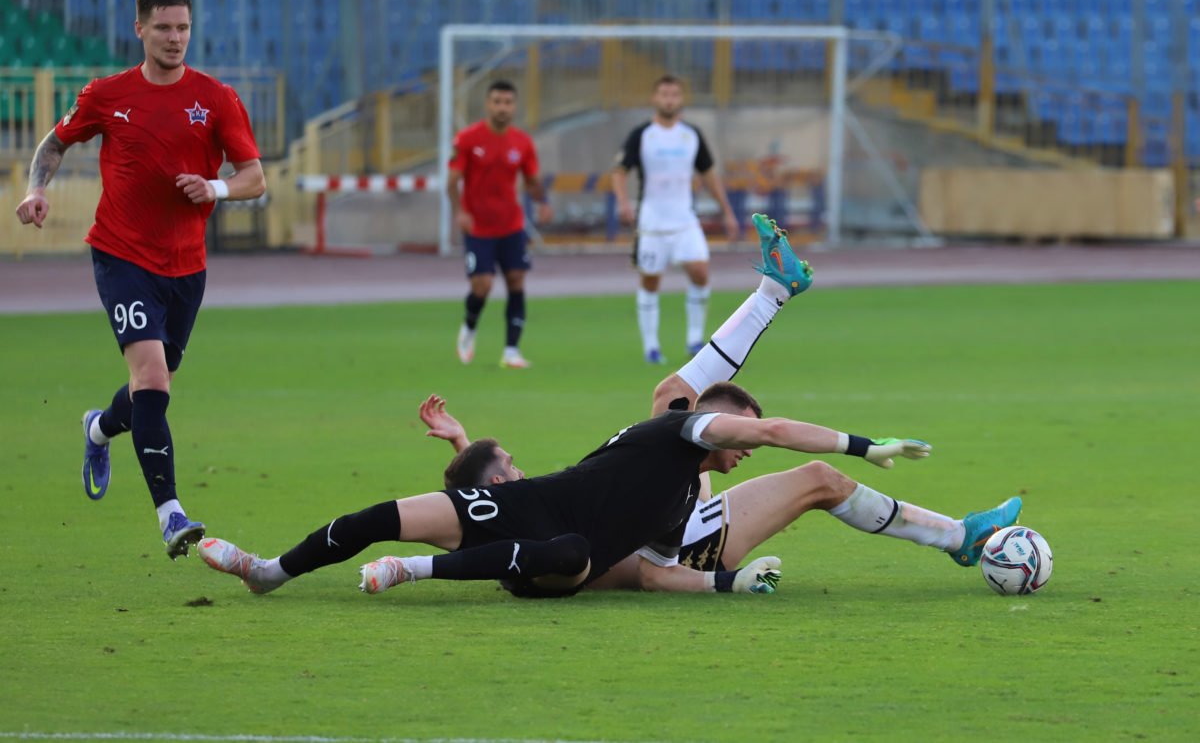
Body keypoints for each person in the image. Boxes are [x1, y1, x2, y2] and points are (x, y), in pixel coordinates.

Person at [195, 216, 960, 599]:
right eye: (731, 439)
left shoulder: (661, 438)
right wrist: (866, 443)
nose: (743, 449)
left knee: (791, 469)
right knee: (385, 518)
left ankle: (772, 293)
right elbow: (758, 435)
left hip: (656, 534)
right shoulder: (659, 450)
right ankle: (273, 569)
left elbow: (744, 439)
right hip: (651, 540)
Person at [418, 218, 1021, 588]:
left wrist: (463, 446)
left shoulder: (508, 520)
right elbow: (491, 506)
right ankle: (959, 539)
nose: (517, 472)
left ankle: (773, 293)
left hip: (660, 520)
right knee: (817, 477)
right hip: (679, 545)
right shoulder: (519, 540)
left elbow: (486, 504)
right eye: (507, 469)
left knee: (666, 400)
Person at [13, 0, 266, 559]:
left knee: (154, 384)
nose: (174, 38)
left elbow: (255, 175)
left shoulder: (217, 98)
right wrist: (35, 190)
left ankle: (99, 429)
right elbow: (55, 142)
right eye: (163, 28)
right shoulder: (107, 93)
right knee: (152, 380)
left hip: (187, 267)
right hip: (122, 255)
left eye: (182, 28)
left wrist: (216, 186)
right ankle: (171, 514)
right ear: (140, 30)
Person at [612, 74, 740, 364]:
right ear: (654, 99)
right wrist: (622, 202)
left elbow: (708, 174)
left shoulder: (691, 135)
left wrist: (727, 210)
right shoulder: (642, 134)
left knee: (701, 273)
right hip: (652, 223)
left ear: (681, 99)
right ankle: (651, 347)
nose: (669, 99)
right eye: (664, 94)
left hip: (685, 221)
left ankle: (695, 339)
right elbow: (619, 170)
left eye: (674, 95)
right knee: (650, 280)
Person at [448, 80, 551, 369]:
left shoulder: (522, 142)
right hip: (478, 226)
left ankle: (511, 351)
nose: (502, 107)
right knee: (482, 285)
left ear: (514, 106)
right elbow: (452, 181)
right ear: (487, 104)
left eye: (507, 102)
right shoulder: (467, 139)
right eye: (497, 101)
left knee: (516, 280)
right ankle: (469, 328)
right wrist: (459, 212)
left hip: (511, 225)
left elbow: (531, 181)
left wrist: (542, 201)